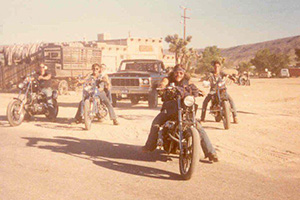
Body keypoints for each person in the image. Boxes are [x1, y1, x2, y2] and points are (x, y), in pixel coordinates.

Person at [142, 64, 218, 162]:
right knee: (156, 123)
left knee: (199, 127)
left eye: (181, 73)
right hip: (170, 109)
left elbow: (193, 86)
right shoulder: (168, 79)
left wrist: (199, 91)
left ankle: (211, 153)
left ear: (184, 73)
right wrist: (162, 87)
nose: (179, 75)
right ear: (173, 73)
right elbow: (163, 84)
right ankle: (149, 146)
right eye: (177, 72)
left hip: (184, 110)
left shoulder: (187, 80)